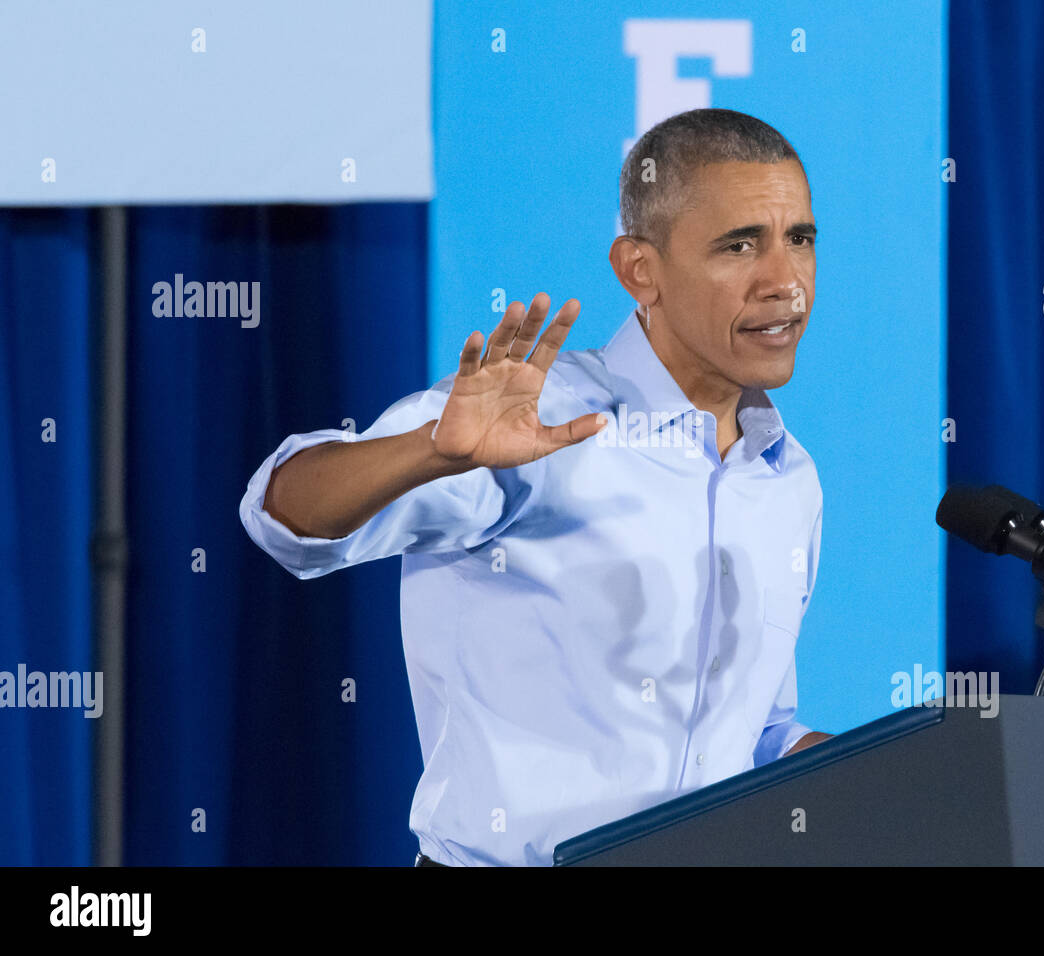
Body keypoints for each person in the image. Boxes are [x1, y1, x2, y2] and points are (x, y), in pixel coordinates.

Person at [239, 108, 832, 867]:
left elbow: (754, 732)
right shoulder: (532, 418)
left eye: (801, 240)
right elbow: (282, 514)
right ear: (639, 270)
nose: (784, 282)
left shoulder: (788, 478)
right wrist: (429, 451)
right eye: (740, 244)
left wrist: (902, 770)